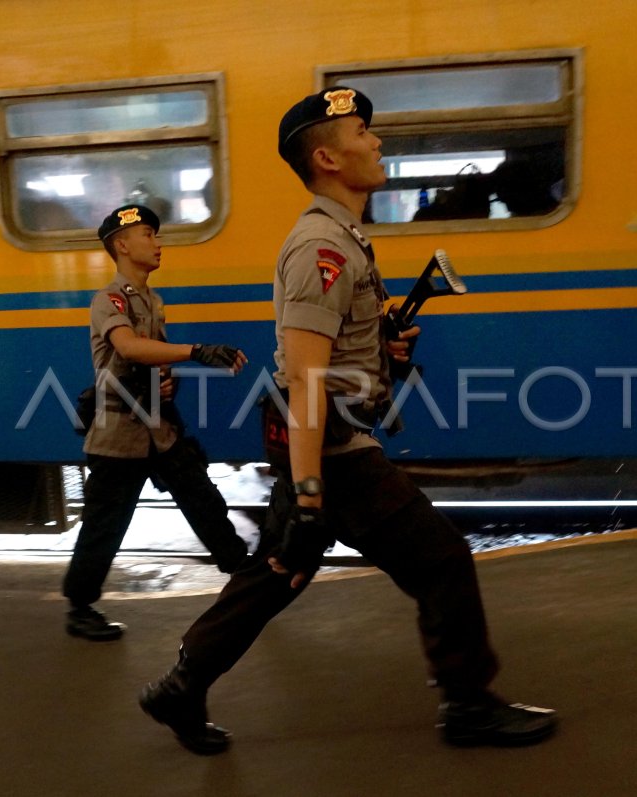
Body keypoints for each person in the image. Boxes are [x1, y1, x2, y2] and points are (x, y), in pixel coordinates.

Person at [137, 88, 557, 754]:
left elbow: (331, 354)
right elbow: (306, 376)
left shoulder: (343, 237)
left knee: (279, 570)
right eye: (364, 131)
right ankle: (469, 702)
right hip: (331, 445)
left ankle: (180, 685)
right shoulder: (320, 248)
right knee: (442, 559)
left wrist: (382, 347)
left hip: (324, 433)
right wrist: (309, 492)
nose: (377, 141)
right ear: (328, 156)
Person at [62, 204, 250, 641]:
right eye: (149, 234)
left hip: (159, 430)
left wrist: (168, 382)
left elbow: (153, 358)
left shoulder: (151, 300)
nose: (158, 241)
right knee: (105, 525)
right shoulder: (108, 299)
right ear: (123, 245)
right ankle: (80, 607)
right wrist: (197, 351)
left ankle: (245, 578)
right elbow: (128, 348)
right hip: (119, 436)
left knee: (203, 501)